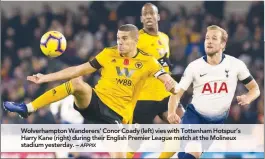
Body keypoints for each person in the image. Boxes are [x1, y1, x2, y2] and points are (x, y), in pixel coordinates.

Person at [3, 24, 178, 158]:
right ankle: (28, 108)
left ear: (136, 40)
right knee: (77, 83)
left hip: (117, 116)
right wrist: (45, 78)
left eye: (125, 39)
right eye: (118, 38)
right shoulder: (108, 54)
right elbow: (78, 69)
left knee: (120, 156)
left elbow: (164, 77)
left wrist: (169, 83)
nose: (120, 42)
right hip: (96, 101)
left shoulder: (148, 62)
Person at [165, 25, 260, 159]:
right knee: (194, 151)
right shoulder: (194, 67)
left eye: (214, 38)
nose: (209, 41)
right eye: (207, 38)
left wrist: (248, 98)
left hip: (216, 122)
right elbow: (177, 92)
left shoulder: (236, 65)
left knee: (188, 155)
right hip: (194, 116)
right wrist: (171, 112)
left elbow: (255, 89)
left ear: (223, 44)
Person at [126, 3, 184, 158]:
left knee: (183, 126)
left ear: (158, 17)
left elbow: (165, 64)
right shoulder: (136, 40)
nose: (148, 16)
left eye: (151, 13)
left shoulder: (164, 38)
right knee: (134, 143)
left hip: (165, 96)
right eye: (145, 14)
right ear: (141, 19)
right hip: (144, 98)